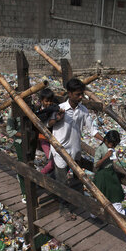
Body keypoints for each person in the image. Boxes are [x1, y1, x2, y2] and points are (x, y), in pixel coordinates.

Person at [48, 78, 103, 220]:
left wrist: (105, 140)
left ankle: (77, 202)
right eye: (78, 94)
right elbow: (48, 124)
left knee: (77, 179)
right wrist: (57, 119)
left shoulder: (83, 110)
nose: (80, 97)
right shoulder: (60, 108)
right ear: (70, 93)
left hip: (75, 150)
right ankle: (63, 208)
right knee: (62, 181)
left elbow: (92, 129)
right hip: (60, 151)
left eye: (82, 94)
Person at [6, 103, 37, 203]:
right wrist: (23, 135)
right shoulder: (13, 112)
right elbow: (10, 130)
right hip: (20, 142)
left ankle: (31, 189)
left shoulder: (30, 108)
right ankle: (25, 192)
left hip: (31, 141)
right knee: (22, 166)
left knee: (31, 165)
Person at [93, 130, 125, 214]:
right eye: (112, 144)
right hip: (102, 174)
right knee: (100, 196)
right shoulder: (100, 149)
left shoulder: (111, 148)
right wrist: (106, 157)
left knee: (116, 193)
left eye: (115, 145)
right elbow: (96, 164)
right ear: (106, 141)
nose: (113, 146)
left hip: (110, 173)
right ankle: (94, 213)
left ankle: (119, 213)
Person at [35, 86, 58, 175]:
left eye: (50, 101)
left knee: (54, 160)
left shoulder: (54, 109)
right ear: (41, 101)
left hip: (52, 138)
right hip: (43, 138)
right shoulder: (39, 111)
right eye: (46, 101)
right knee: (52, 161)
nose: (49, 103)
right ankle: (40, 175)